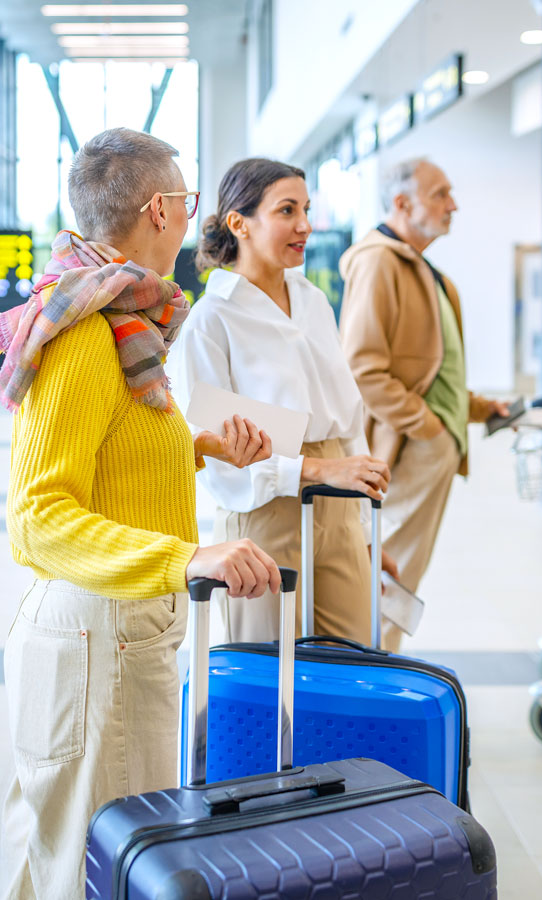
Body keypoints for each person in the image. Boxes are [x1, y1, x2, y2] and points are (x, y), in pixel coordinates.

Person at [0, 128, 280, 900]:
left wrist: (198, 447)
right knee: (95, 869)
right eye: (187, 201)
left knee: (59, 858)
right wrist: (184, 558)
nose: (192, 217)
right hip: (99, 642)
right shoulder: (87, 333)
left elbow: (108, 460)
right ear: (159, 209)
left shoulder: (123, 320)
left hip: (109, 635)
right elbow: (38, 517)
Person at [169, 158, 395, 645]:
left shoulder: (312, 299)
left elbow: (346, 413)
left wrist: (368, 528)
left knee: (352, 663)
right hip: (266, 510)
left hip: (341, 497)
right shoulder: (212, 319)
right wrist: (314, 471)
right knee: (270, 677)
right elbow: (215, 450)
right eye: (287, 210)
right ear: (239, 223)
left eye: (307, 209)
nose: (305, 226)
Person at [339, 157, 508, 642]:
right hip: (411, 446)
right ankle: (370, 668)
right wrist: (428, 426)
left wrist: (476, 409)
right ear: (401, 203)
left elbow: (433, 366)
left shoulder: (427, 272)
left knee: (405, 568)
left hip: (431, 442)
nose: (452, 204)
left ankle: (379, 663)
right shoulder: (379, 262)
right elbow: (364, 369)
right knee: (390, 566)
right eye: (440, 194)